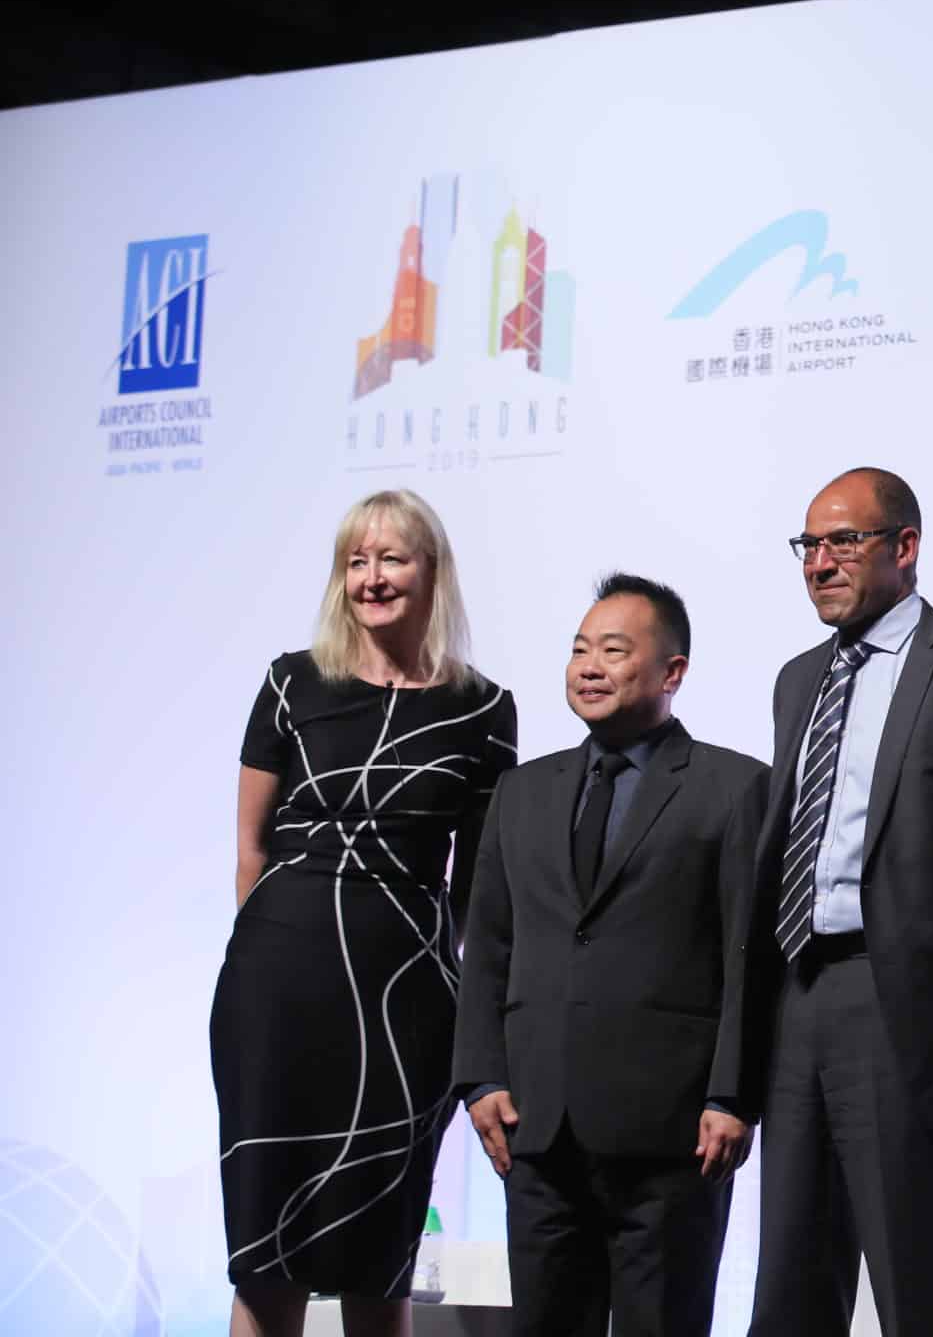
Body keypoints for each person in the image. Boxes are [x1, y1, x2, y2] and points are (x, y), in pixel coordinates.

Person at [747, 467, 933, 1337]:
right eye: (809, 545)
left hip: (905, 1004)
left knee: (911, 1276)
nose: (819, 562)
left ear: (905, 548)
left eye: (844, 541)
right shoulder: (798, 679)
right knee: (791, 1278)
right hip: (800, 993)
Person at [210, 489, 518, 1337]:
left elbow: (477, 888)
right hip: (275, 988)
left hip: (407, 1000)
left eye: (392, 558)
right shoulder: (291, 682)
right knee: (267, 1257)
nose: (372, 577)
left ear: (431, 571)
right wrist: (268, 954)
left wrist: (428, 969)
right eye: (357, 560)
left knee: (378, 1255)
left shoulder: (484, 709)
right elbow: (251, 847)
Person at [452, 574, 768, 1335]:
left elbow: (747, 956)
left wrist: (733, 1096)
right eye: (579, 649)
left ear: (673, 672)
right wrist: (479, 1076)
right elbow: (487, 943)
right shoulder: (521, 793)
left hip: (673, 1135)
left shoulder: (734, 788)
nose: (589, 666)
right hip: (538, 1126)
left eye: (615, 651)